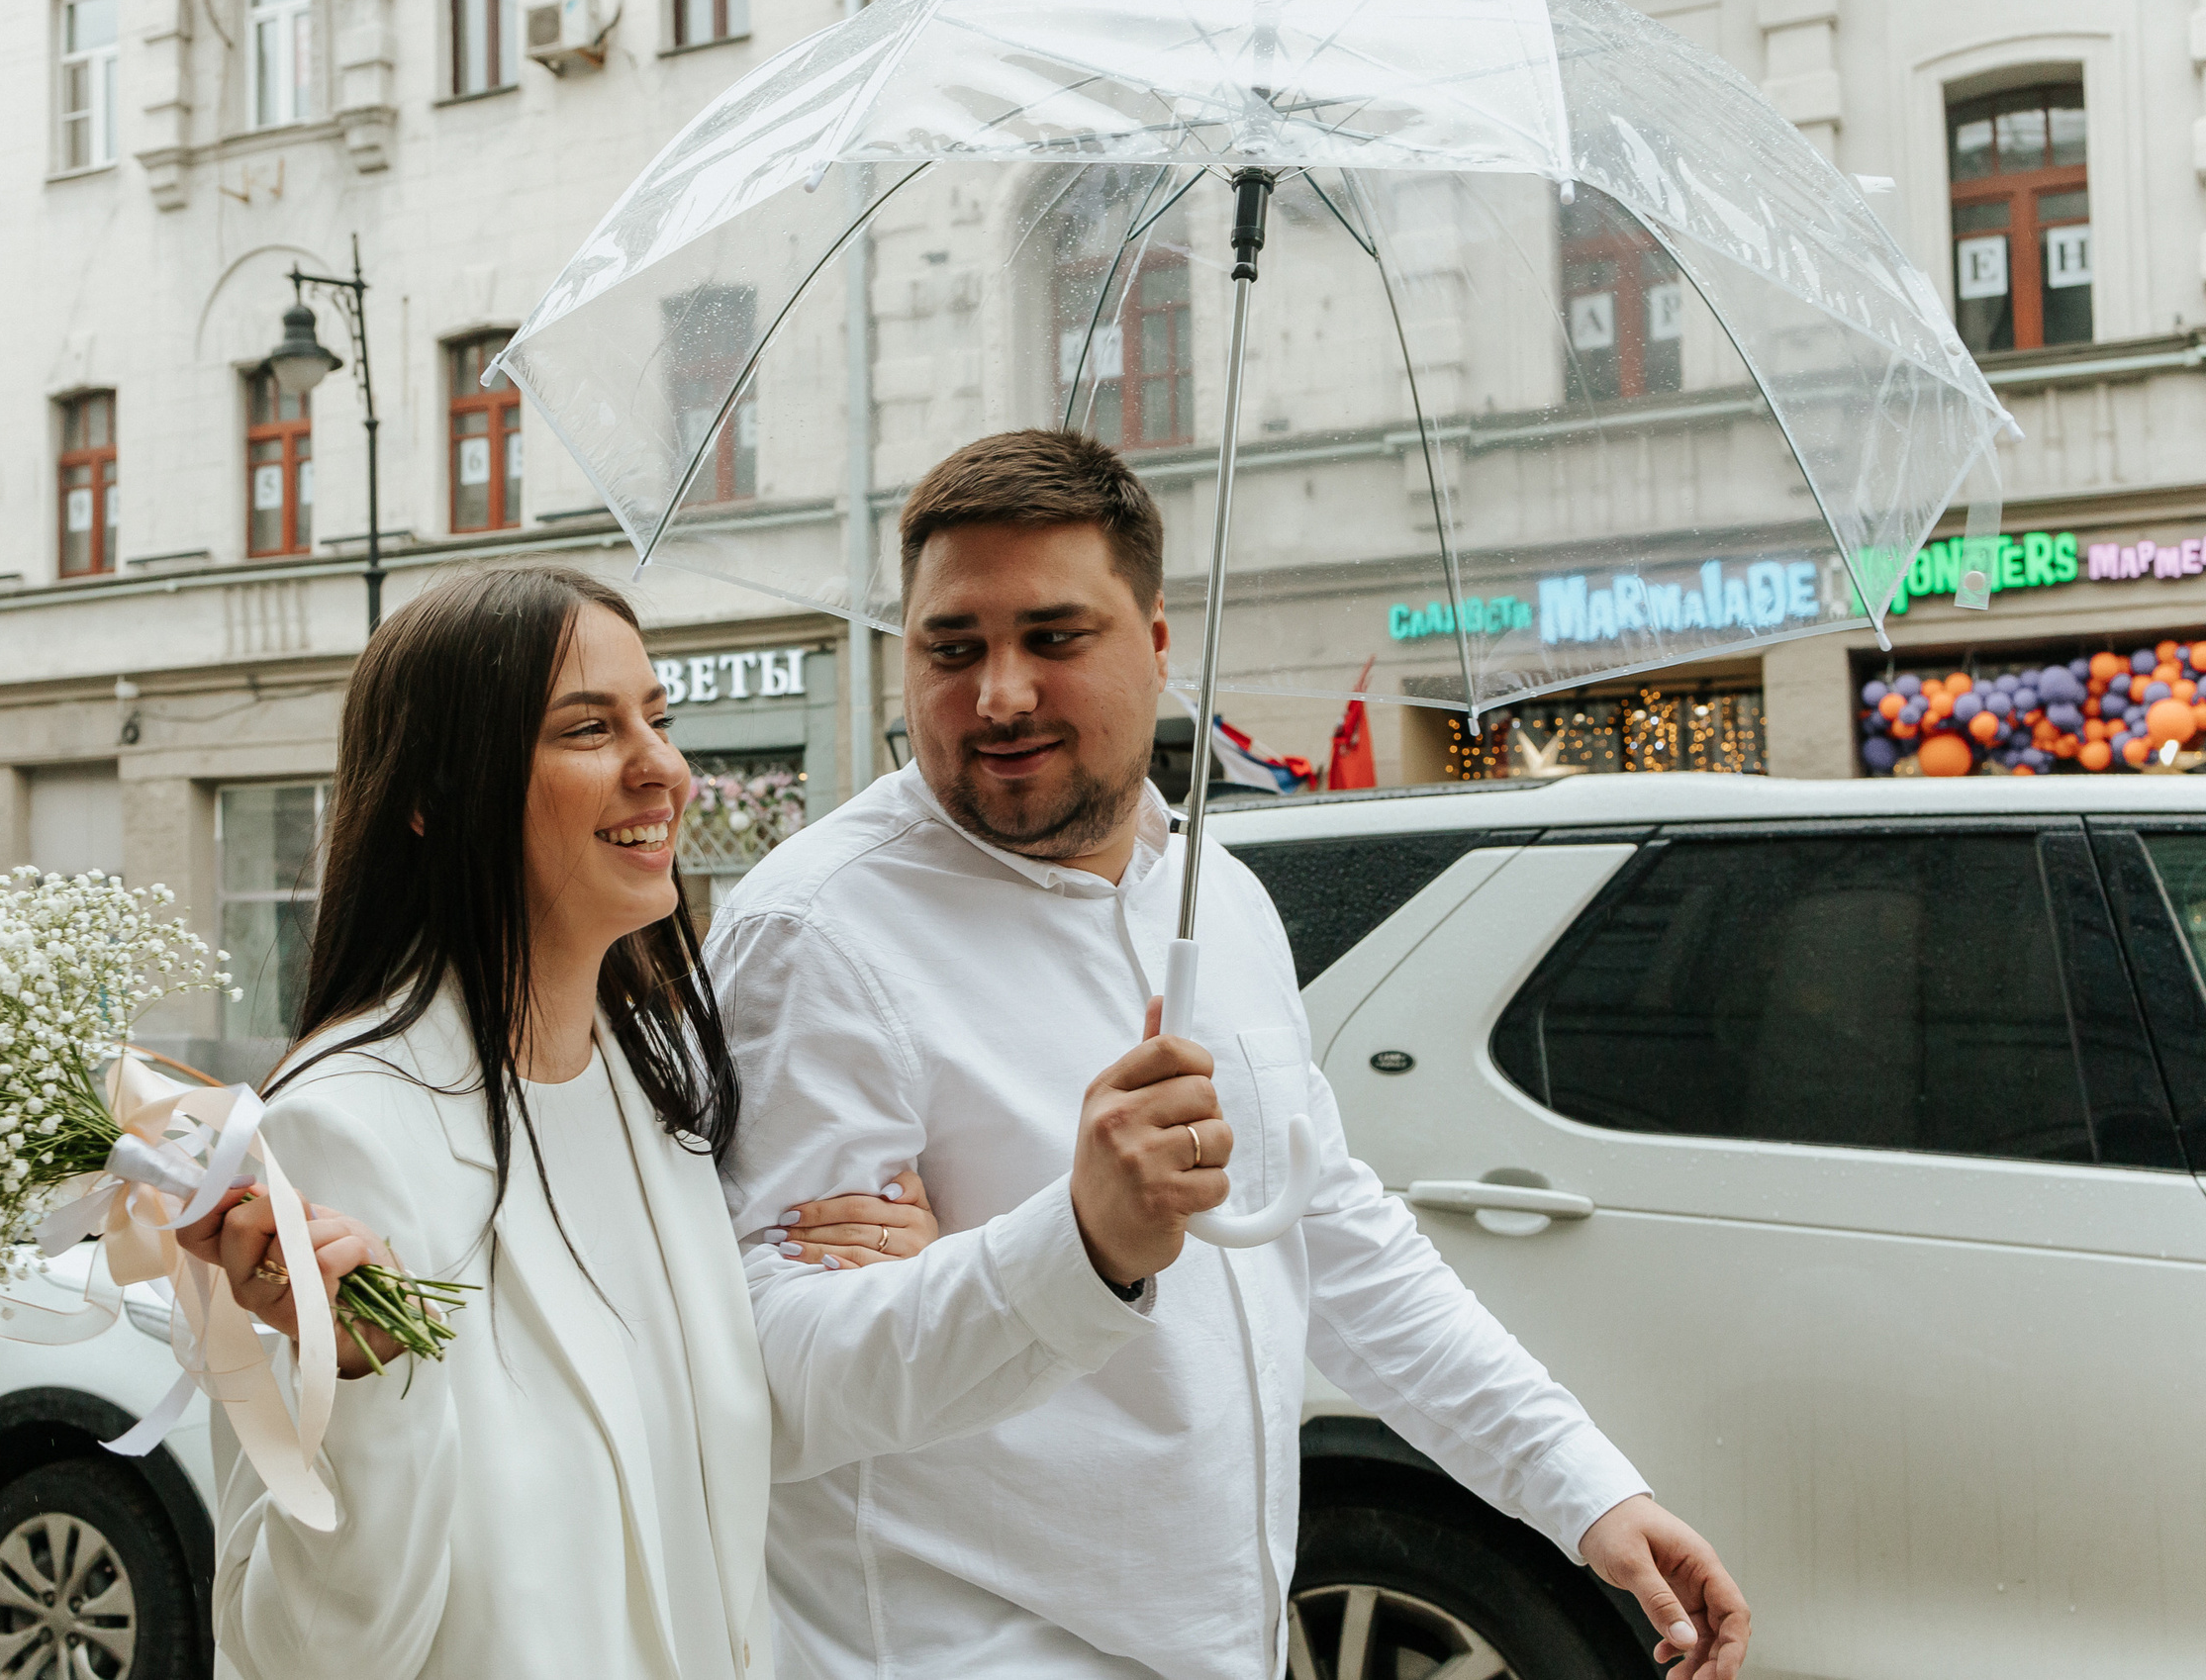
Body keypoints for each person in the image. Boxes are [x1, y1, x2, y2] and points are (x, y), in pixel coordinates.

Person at [707, 430, 1753, 1680]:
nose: (997, 693)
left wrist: (1580, 1486)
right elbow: (773, 1382)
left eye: (1051, 637)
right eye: (951, 647)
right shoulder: (815, 931)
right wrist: (1079, 1243)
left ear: (1155, 644)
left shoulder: (1220, 894)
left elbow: (1331, 1231)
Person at [171, 566, 975, 1680]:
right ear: (431, 796)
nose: (664, 771)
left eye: (658, 718)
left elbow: (727, 1459)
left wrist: (889, 1272)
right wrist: (360, 1378)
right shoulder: (340, 1135)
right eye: (588, 728)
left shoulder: (653, 1091)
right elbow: (306, 1656)